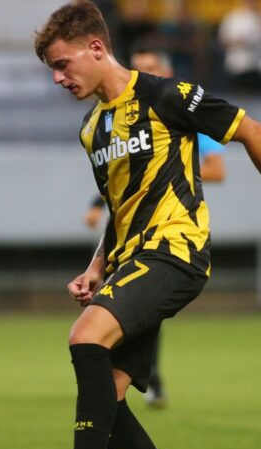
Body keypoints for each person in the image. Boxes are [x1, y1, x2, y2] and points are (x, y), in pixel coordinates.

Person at [35, 2, 261, 449]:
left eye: (62, 64)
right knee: (107, 398)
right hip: (132, 260)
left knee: (84, 337)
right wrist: (96, 267)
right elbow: (120, 208)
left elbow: (252, 130)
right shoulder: (91, 129)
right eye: (52, 68)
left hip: (175, 251)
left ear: (96, 47)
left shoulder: (165, 95)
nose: (57, 78)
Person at [83, 48, 226, 409]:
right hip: (134, 231)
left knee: (140, 307)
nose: (141, 73)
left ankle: (146, 380)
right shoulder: (119, 117)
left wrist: (171, 165)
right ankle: (138, 382)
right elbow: (126, 176)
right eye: (138, 67)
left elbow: (217, 170)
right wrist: (97, 205)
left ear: (165, 71)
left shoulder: (178, 109)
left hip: (176, 227)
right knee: (131, 309)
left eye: (149, 68)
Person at [217, 0, 261, 93]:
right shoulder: (233, 17)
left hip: (257, 68)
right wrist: (238, 42)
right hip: (237, 67)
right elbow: (222, 40)